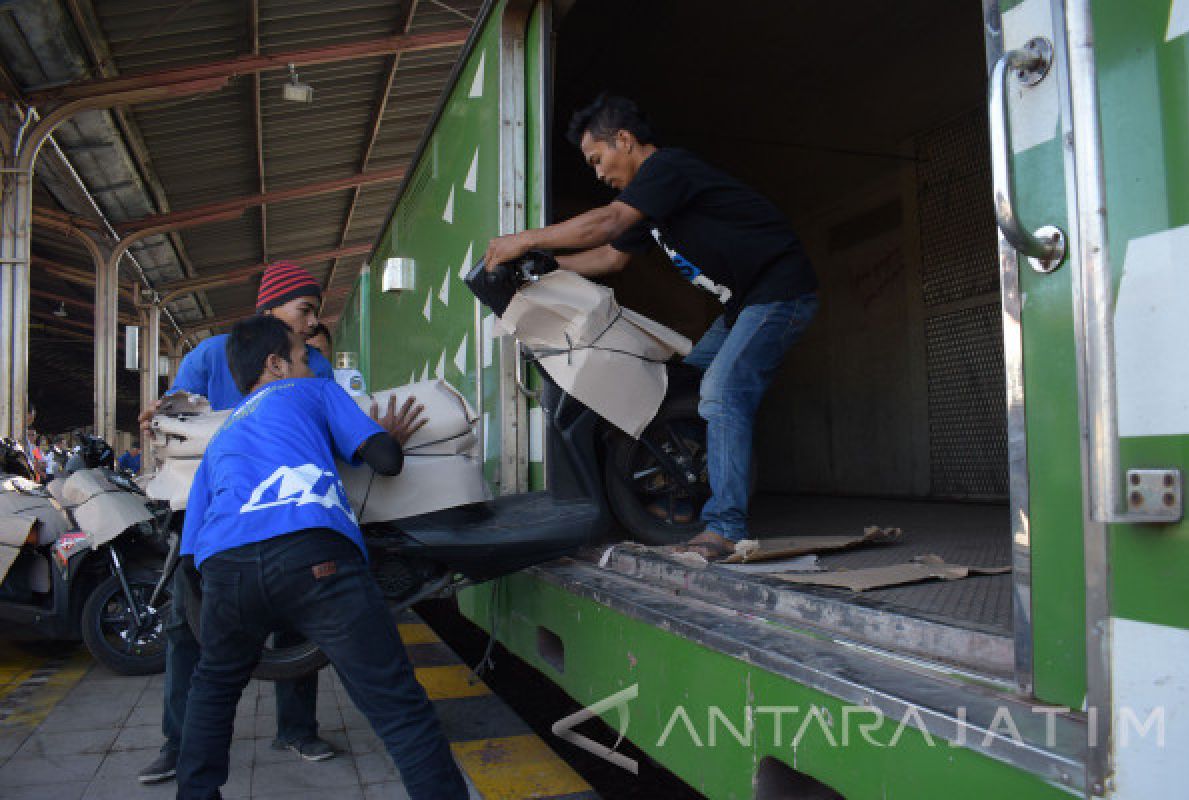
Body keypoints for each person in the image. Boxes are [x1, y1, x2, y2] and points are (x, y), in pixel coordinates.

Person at [485, 94, 819, 562]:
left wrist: (524, 239)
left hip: (780, 291)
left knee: (721, 393)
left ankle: (725, 527)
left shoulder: (668, 169)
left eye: (598, 159)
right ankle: (689, 486)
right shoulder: (650, 206)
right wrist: (544, 266)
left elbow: (606, 224)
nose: (598, 173)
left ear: (625, 140)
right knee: (679, 386)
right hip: (743, 305)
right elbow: (611, 256)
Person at [174, 315, 465, 800]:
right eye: (305, 356)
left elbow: (190, 554)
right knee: (398, 706)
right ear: (276, 365)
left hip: (226, 570)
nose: (314, 365)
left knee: (214, 689)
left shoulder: (222, 436)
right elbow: (386, 463)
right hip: (314, 554)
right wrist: (383, 434)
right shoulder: (314, 393)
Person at [136, 262, 338, 784]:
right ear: (270, 308)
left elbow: (326, 424)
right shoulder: (208, 354)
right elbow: (176, 419)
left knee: (296, 623)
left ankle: (297, 728)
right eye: (304, 310)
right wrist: (157, 416)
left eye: (314, 312)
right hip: (208, 514)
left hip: (286, 512)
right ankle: (177, 742)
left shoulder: (313, 365)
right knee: (187, 627)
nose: (312, 323)